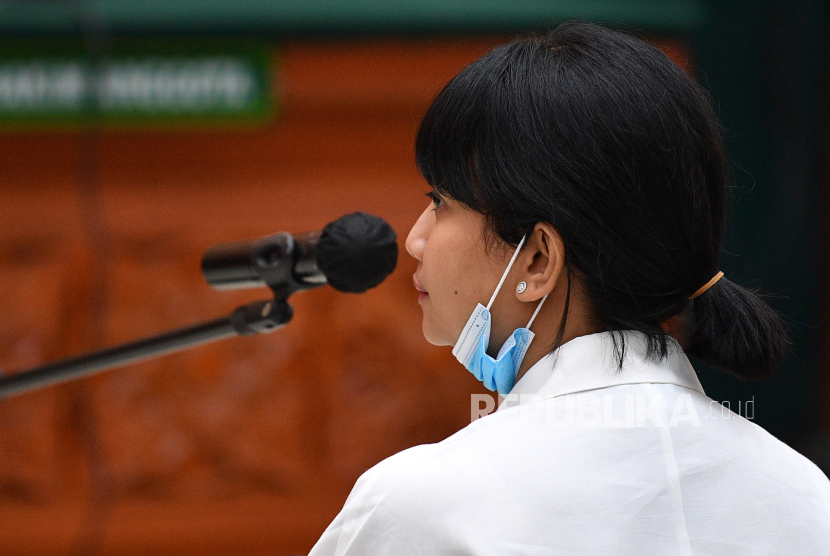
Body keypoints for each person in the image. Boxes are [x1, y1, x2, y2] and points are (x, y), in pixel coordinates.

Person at [308, 21, 830, 555]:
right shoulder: (805, 495)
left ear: (537, 259)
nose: (416, 238)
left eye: (440, 201)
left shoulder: (425, 505)